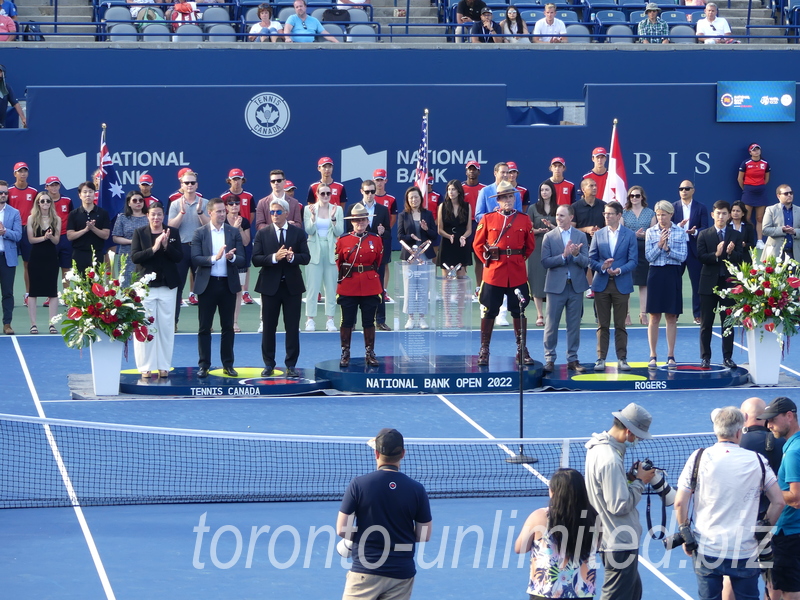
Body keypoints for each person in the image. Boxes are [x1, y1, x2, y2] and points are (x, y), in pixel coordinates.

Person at [674, 406, 784, 600]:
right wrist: (763, 528)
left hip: (707, 548)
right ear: (738, 431)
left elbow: (680, 503)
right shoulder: (757, 460)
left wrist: (684, 531)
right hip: (746, 549)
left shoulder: (698, 458)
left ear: (716, 430)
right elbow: (778, 502)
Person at [337, 428, 432, 600]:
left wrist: (364, 535)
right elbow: (424, 535)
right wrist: (396, 534)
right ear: (402, 453)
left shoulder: (358, 485)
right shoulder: (417, 490)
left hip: (365, 573)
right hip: (401, 575)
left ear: (376, 453)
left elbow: (342, 529)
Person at [585, 403, 656, 600]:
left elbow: (607, 487)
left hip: (611, 537)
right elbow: (619, 505)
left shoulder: (598, 448)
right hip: (618, 541)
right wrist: (641, 481)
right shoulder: (610, 459)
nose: (638, 441)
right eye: (638, 436)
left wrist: (629, 478)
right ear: (628, 432)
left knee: (634, 593)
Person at [473, 181, 535, 366]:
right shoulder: (488, 219)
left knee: (519, 311)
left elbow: (530, 246)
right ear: (497, 200)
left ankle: (521, 349)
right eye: (503, 197)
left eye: (510, 196)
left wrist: (517, 259)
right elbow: (477, 245)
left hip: (516, 272)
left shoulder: (524, 219)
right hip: (494, 272)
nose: (507, 200)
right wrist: (487, 261)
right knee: (489, 311)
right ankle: (484, 349)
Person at [514, 468, 599, 599]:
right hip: (582, 593)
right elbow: (596, 547)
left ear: (553, 491)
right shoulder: (594, 517)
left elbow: (520, 548)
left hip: (546, 592)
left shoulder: (539, 516)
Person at [252, 198, 309, 378]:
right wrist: (275, 257)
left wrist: (293, 258)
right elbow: (256, 259)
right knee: (269, 327)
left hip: (292, 287)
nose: (274, 215)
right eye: (272, 212)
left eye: (278, 212)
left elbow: (306, 257)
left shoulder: (298, 233)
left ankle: (291, 365)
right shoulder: (263, 234)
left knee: (292, 328)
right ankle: (269, 364)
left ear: (286, 213)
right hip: (269, 287)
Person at [191, 197, 245, 379]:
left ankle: (228, 364)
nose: (223, 214)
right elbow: (196, 258)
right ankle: (203, 365)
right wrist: (216, 257)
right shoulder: (200, 233)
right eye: (219, 211)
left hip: (228, 285)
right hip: (207, 285)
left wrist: (231, 258)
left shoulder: (233, 232)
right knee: (204, 327)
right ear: (210, 213)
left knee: (227, 327)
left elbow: (243, 259)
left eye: (224, 211)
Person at [130, 201, 183, 379]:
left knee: (166, 327)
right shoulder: (139, 233)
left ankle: (164, 365)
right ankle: (145, 366)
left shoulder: (172, 232)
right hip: (146, 288)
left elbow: (179, 257)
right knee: (145, 326)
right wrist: (154, 248)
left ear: (163, 215)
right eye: (153, 214)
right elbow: (136, 257)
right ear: (148, 216)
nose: (156, 218)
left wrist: (167, 246)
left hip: (168, 286)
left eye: (159, 214)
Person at [740, 395, 786, 600]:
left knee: (733, 578)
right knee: (773, 578)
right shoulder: (782, 442)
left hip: (742, 522)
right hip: (776, 520)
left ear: (744, 416)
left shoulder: (737, 443)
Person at [589, 201, 638, 372]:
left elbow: (633, 261)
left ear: (619, 216)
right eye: (605, 213)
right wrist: (602, 267)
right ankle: (601, 358)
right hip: (601, 285)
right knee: (602, 325)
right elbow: (591, 259)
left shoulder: (629, 235)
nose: (606, 216)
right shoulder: (598, 234)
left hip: (621, 285)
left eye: (610, 214)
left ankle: (622, 358)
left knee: (620, 325)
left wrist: (618, 270)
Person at [760, 396, 800, 600]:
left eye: (773, 420)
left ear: (789, 416)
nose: (769, 425)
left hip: (788, 533)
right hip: (793, 530)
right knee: (776, 585)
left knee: (790, 591)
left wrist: (767, 488)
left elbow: (795, 498)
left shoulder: (793, 452)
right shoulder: (794, 446)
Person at [541, 204, 589, 373]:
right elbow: (545, 262)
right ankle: (549, 358)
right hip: (555, 288)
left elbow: (586, 262)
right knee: (551, 324)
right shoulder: (549, 237)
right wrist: (564, 256)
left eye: (562, 215)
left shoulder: (581, 236)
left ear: (571, 217)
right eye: (557, 215)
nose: (558, 218)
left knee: (574, 325)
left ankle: (572, 359)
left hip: (575, 287)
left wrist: (576, 255)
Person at [698, 200, 744, 369]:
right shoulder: (704, 234)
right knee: (706, 323)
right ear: (712, 215)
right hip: (708, 284)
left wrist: (730, 254)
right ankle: (705, 357)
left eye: (724, 213)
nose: (721, 216)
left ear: (729, 215)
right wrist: (717, 254)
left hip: (728, 284)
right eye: (718, 213)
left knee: (728, 323)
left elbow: (740, 258)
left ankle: (727, 357)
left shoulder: (736, 235)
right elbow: (701, 257)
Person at [336, 203, 383, 367]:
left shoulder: (375, 239)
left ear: (367, 221)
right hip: (349, 284)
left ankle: (370, 352)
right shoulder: (343, 240)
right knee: (347, 321)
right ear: (352, 222)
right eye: (356, 220)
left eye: (363, 220)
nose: (360, 223)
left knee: (369, 321)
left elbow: (378, 261)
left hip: (370, 284)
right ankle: (345, 352)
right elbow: (339, 262)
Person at [646, 200, 687, 370]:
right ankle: (653, 355)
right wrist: (659, 246)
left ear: (671, 214)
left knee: (671, 316)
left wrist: (668, 249)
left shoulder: (679, 232)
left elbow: (683, 256)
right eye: (658, 214)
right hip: (655, 274)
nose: (661, 218)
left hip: (672, 274)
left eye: (664, 214)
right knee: (654, 317)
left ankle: (671, 355)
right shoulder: (650, 232)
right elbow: (649, 257)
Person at [346, 181, 392, 331]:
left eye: (372, 191)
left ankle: (380, 320)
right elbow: (347, 233)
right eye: (367, 192)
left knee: (378, 289)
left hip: (375, 258)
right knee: (352, 290)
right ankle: (351, 322)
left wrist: (382, 232)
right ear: (361, 191)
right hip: (357, 257)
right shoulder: (353, 208)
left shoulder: (383, 210)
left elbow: (388, 235)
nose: (370, 194)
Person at [168, 170, 209, 327]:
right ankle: (173, 323)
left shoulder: (204, 203)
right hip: (181, 249)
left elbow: (208, 226)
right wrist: (181, 213)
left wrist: (199, 212)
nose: (190, 185)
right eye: (187, 183)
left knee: (203, 288)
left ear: (197, 185)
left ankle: (205, 324)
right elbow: (171, 227)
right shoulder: (175, 204)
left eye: (192, 183)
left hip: (200, 249)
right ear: (181, 185)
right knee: (177, 287)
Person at [304, 184, 343, 333]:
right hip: (314, 250)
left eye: (328, 193)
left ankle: (330, 320)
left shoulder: (337, 210)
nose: (326, 196)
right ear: (317, 194)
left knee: (331, 288)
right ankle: (310, 320)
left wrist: (333, 219)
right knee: (313, 288)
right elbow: (309, 230)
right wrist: (313, 218)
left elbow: (339, 231)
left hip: (331, 250)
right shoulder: (309, 210)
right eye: (323, 193)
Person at [398, 186, 437, 330]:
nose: (414, 200)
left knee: (422, 288)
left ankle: (421, 318)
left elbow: (434, 235)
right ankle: (410, 318)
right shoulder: (403, 215)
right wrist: (411, 237)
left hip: (424, 257)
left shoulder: (427, 214)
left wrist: (426, 229)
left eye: (416, 197)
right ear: (408, 200)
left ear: (421, 198)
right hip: (409, 257)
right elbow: (400, 235)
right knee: (410, 287)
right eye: (411, 198)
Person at [436, 180, 472, 328]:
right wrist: (448, 236)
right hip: (447, 245)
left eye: (453, 189)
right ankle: (448, 318)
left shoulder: (467, 206)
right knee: (447, 282)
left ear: (459, 191)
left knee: (461, 280)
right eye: (449, 189)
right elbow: (440, 229)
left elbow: (469, 229)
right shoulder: (442, 206)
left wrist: (464, 237)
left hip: (461, 245)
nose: (451, 192)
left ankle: (459, 316)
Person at [672, 179, 708, 324]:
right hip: (677, 250)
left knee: (697, 283)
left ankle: (697, 314)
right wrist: (678, 227)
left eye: (687, 188)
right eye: (681, 189)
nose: (684, 191)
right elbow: (668, 227)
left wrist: (695, 232)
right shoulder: (673, 207)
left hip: (694, 250)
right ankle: (674, 314)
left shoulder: (701, 207)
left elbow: (705, 227)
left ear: (693, 190)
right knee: (675, 283)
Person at [25, 192, 60, 335]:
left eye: (48, 201)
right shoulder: (31, 218)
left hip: (51, 257)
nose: (45, 203)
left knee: (52, 291)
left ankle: (52, 324)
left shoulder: (56, 219)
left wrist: (51, 237)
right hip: (36, 257)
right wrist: (44, 237)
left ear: (51, 203)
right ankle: (33, 324)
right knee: (33, 292)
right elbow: (31, 239)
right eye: (42, 201)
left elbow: (57, 241)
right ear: (38, 203)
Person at [622, 185, 656, 326]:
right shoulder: (624, 213)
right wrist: (632, 235)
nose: (634, 198)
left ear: (642, 197)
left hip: (644, 250)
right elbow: (621, 232)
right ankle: (626, 314)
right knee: (627, 283)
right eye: (632, 196)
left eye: (637, 195)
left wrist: (645, 234)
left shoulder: (650, 213)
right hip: (628, 250)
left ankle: (643, 314)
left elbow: (654, 232)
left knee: (644, 284)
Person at [527, 180, 557, 327]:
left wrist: (551, 226)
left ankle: (550, 313)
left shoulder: (558, 208)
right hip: (536, 246)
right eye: (542, 190)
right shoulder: (533, 208)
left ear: (552, 191)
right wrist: (538, 231)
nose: (544, 192)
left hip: (554, 246)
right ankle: (539, 314)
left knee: (551, 279)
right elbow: (528, 229)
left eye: (547, 190)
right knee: (537, 279)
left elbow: (562, 228)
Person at [66, 181, 110, 274]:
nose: (88, 195)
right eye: (85, 192)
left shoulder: (103, 213)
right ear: (80, 195)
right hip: (79, 254)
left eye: (90, 192)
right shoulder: (74, 214)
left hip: (97, 253)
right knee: (80, 285)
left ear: (94, 194)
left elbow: (105, 235)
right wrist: (85, 229)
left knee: (97, 285)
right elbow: (70, 236)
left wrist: (93, 228)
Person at [8, 162, 36, 299]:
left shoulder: (33, 192)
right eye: (20, 171)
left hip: (27, 230)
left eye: (25, 171)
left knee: (28, 263)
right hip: (11, 231)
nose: (23, 173)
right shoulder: (7, 192)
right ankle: (8, 294)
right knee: (9, 263)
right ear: (15, 174)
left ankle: (28, 294)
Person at [573, 178, 605, 296]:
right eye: (591, 186)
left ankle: (596, 288)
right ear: (583, 189)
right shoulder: (575, 207)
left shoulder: (603, 205)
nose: (594, 188)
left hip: (600, 244)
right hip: (582, 245)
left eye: (595, 185)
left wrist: (600, 231)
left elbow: (609, 227)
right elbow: (571, 229)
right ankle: (587, 287)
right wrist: (586, 229)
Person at [224, 194, 250, 333]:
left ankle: (234, 322)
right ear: (226, 206)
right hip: (224, 259)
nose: (234, 206)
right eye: (231, 203)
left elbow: (246, 242)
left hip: (240, 260)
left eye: (236, 203)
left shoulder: (244, 222)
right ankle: (224, 320)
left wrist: (239, 228)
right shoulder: (222, 221)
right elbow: (226, 242)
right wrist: (233, 228)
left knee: (238, 290)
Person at [43, 176, 74, 295]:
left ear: (60, 186)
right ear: (46, 187)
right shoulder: (43, 201)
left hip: (65, 237)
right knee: (50, 268)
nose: (54, 187)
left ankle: (66, 295)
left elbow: (72, 217)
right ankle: (50, 294)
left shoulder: (67, 200)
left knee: (66, 267)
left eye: (56, 185)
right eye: (51, 185)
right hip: (49, 238)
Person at [112, 190, 149, 284]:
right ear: (129, 203)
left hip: (145, 255)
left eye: (141, 200)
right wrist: (132, 241)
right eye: (135, 200)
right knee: (126, 285)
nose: (138, 203)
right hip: (127, 255)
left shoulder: (149, 217)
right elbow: (115, 237)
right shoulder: (122, 217)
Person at [738, 143, 770, 246]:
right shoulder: (746, 163)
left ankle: (760, 241)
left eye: (758, 149)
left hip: (760, 193)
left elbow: (766, 178)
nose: (756, 151)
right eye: (754, 150)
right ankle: (745, 240)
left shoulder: (765, 163)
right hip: (748, 192)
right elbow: (739, 179)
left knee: (759, 218)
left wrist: (759, 186)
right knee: (746, 218)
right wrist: (746, 189)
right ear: (750, 152)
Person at [0, 180, 21, 335]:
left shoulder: (14, 213)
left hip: (7, 259)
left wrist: (4, 232)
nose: (3, 195)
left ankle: (7, 324)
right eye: (0, 193)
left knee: (7, 292)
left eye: (5, 193)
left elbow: (18, 235)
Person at [373, 169, 397, 296]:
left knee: (385, 263)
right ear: (374, 181)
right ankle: (372, 289)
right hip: (371, 237)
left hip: (385, 237)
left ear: (386, 181)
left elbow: (393, 217)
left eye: (381, 180)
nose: (379, 183)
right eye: (377, 180)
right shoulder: (370, 197)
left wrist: (385, 230)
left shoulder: (391, 199)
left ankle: (384, 291)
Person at [463, 161, 485, 296]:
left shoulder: (484, 189)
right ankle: (464, 288)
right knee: (463, 258)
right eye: (469, 169)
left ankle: (478, 288)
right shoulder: (460, 188)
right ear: (466, 172)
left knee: (479, 257)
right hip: (464, 226)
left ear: (479, 172)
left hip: (479, 225)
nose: (472, 171)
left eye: (474, 169)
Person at [762, 184, 800, 261]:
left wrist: (795, 231)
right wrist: (782, 230)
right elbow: (765, 230)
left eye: (791, 193)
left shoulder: (799, 210)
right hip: (776, 253)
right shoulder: (771, 210)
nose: (789, 195)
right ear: (778, 196)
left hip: (795, 253)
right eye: (786, 193)